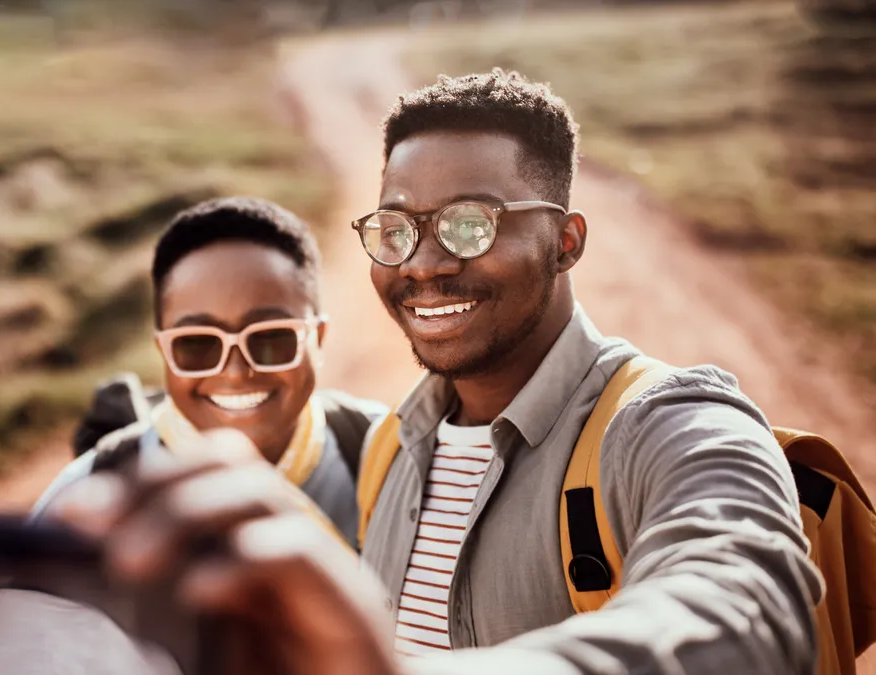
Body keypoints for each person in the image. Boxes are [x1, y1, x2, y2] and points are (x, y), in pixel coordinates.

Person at [48, 70, 826, 675]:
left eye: (469, 223)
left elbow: (748, 605)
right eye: (396, 228)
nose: (423, 263)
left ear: (566, 241)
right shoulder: (387, 451)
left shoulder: (667, 420)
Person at [31, 196, 386, 549]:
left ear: (318, 340)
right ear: (164, 353)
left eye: (270, 338)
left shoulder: (394, 459)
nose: (235, 373)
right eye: (198, 345)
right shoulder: (84, 499)